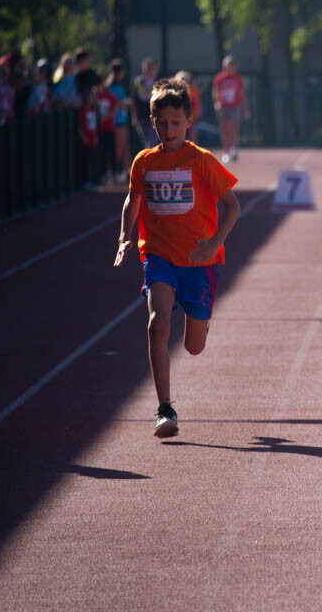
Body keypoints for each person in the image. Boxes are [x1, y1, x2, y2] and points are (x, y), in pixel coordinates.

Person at [113, 78, 240, 438]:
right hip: (159, 256)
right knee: (157, 323)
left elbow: (232, 207)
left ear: (189, 123)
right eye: (161, 123)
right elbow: (133, 200)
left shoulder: (202, 161)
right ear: (152, 123)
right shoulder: (144, 162)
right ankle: (164, 408)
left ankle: (199, 320)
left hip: (199, 262)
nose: (168, 130)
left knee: (194, 347)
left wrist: (215, 242)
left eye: (175, 123)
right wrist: (125, 237)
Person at [213, 55, 250, 163]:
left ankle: (234, 149)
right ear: (225, 66)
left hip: (235, 106)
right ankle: (226, 151)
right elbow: (215, 92)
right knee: (225, 130)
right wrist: (217, 103)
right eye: (229, 66)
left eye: (233, 66)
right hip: (224, 106)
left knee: (234, 127)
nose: (231, 68)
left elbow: (241, 93)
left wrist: (246, 108)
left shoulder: (238, 78)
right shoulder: (219, 78)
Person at [133, 57, 160, 148]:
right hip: (142, 116)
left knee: (152, 142)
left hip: (156, 117)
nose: (150, 70)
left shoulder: (160, 83)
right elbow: (135, 101)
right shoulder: (139, 82)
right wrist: (135, 116)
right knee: (146, 141)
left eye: (152, 68)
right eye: (148, 68)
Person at [174, 71, 201, 144]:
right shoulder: (173, 92)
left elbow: (197, 105)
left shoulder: (194, 91)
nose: (184, 81)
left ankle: (193, 152)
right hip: (177, 120)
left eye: (185, 79)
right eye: (182, 79)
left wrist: (194, 116)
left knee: (193, 135)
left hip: (190, 119)